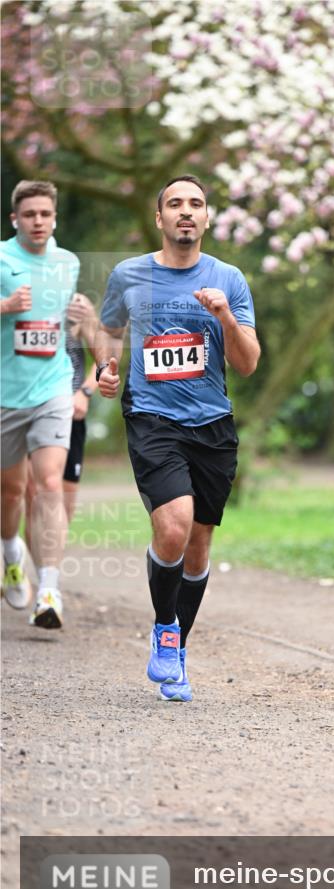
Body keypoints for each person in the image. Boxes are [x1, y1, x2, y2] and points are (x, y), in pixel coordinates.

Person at [96, 175, 260, 702]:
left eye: (196, 204)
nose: (185, 212)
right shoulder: (128, 275)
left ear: (207, 218)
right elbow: (109, 330)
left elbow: (248, 363)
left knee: (198, 543)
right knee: (173, 525)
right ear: (160, 218)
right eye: (175, 204)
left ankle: (176, 649)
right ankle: (165, 628)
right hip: (152, 417)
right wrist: (105, 366)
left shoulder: (229, 279)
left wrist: (224, 317)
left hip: (212, 424)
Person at [1, 180, 80, 628]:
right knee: (11, 492)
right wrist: (6, 305)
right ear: (16, 218)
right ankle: (11, 551)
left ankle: (49, 590)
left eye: (45, 215)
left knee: (49, 483)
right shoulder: (1, 257)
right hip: (4, 393)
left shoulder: (67, 263)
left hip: (51, 387)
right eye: (29, 215)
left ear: (54, 218)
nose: (38, 222)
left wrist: (82, 321)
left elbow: (62, 324)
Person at [26, 292, 98, 535]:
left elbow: (104, 357)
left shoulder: (76, 303)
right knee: (33, 492)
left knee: (64, 501)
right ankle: (30, 565)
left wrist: (85, 393)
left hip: (69, 413)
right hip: (28, 410)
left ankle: (49, 564)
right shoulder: (17, 299)